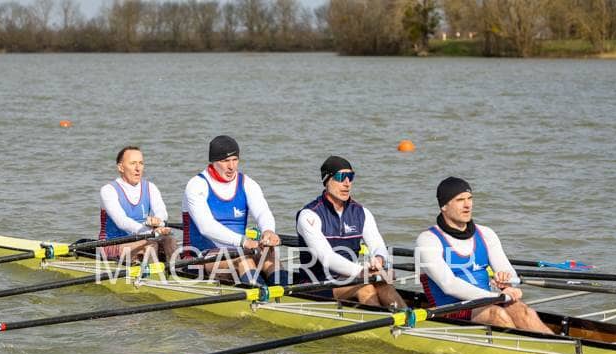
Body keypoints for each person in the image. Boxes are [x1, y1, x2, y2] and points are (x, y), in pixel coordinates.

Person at [416, 176, 553, 333]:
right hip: (450, 309)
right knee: (497, 315)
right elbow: (449, 285)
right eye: (460, 200)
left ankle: (558, 346)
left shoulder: (486, 234)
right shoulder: (428, 240)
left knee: (524, 312)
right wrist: (494, 297)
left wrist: (505, 280)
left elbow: (509, 273)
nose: (467, 205)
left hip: (487, 301)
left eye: (470, 198)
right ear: (444, 206)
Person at [296, 156, 405, 308]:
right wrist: (363, 272)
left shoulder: (362, 213)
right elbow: (327, 258)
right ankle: (379, 321)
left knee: (384, 285)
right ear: (327, 180)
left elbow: (378, 245)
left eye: (350, 177)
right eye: (341, 177)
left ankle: (408, 317)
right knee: (365, 288)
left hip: (349, 278)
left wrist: (379, 261)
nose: (347, 183)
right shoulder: (309, 215)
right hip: (316, 285)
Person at [182, 135, 284, 285]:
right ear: (213, 161)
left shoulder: (248, 184)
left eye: (235, 159)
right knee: (244, 260)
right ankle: (262, 294)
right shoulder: (196, 185)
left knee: (270, 258)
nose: (231, 166)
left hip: (238, 251)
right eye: (225, 161)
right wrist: (243, 241)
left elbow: (263, 212)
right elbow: (206, 227)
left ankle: (285, 291)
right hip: (199, 258)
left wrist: (268, 231)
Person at [98, 146, 176, 263]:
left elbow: (162, 212)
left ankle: (178, 271)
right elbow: (122, 222)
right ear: (120, 167)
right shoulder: (108, 190)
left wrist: (158, 221)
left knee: (170, 240)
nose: (138, 168)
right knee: (150, 244)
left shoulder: (150, 187)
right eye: (133, 163)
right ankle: (152, 273)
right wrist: (150, 232)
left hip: (144, 238)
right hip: (112, 244)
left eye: (141, 163)